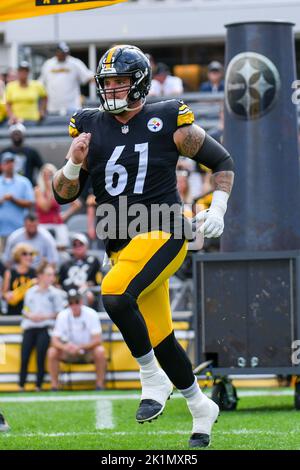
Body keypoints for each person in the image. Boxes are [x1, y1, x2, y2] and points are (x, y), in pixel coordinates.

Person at [52, 44, 234, 448]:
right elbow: (64, 195)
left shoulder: (168, 118)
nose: (112, 89)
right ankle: (201, 406)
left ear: (139, 83)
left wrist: (217, 208)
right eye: (107, 82)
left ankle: (151, 379)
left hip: (166, 229)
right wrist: (72, 161)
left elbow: (221, 161)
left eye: (120, 81)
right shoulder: (88, 125)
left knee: (115, 295)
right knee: (161, 336)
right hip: (122, 242)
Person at [47, 289, 106, 391]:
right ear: (68, 304)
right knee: (52, 352)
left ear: (81, 302)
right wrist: (65, 347)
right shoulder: (62, 315)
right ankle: (54, 386)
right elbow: (54, 341)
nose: (74, 306)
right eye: (71, 303)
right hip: (68, 351)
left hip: (87, 351)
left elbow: (97, 340)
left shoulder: (91, 314)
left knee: (100, 351)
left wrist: (80, 347)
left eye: (76, 302)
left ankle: (99, 385)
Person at [20, 262, 65, 391]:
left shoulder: (56, 293)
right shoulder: (30, 292)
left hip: (45, 328)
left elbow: (60, 313)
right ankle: (21, 385)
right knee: (24, 357)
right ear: (40, 276)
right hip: (29, 327)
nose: (52, 278)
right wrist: (30, 315)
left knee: (41, 356)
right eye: (49, 275)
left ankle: (38, 385)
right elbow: (25, 309)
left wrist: (44, 316)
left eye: (53, 275)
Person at [39, 42, 94, 116]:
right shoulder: (48, 64)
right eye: (61, 52)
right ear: (56, 52)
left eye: (65, 52)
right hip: (52, 108)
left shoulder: (75, 63)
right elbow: (40, 84)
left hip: (72, 107)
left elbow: (88, 77)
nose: (63, 55)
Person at [35, 163, 80, 247]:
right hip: (43, 225)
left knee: (61, 248)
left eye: (50, 174)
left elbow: (77, 204)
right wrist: (49, 190)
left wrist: (64, 216)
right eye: (45, 174)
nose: (48, 176)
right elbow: (45, 208)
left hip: (57, 224)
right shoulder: (38, 190)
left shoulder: (59, 189)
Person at [0, 151, 35, 248]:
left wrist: (13, 200)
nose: (10, 165)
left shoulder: (24, 182)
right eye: (7, 162)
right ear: (1, 166)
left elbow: (31, 203)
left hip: (19, 230)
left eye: (12, 162)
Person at [58, 233, 103, 307]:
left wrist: (87, 285)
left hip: (85, 291)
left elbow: (98, 281)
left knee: (89, 295)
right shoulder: (65, 264)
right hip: (66, 293)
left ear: (86, 246)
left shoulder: (94, 261)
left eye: (81, 244)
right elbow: (59, 283)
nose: (78, 247)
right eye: (75, 245)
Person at [5, 61, 47, 125]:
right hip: (16, 121)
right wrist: (11, 116)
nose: (23, 73)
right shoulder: (11, 86)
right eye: (21, 71)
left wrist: (42, 110)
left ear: (28, 72)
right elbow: (8, 104)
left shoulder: (36, 85)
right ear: (18, 72)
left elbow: (45, 97)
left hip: (33, 119)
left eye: (26, 71)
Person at [2, 243, 37, 316]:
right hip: (13, 312)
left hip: (31, 313)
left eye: (31, 254)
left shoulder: (36, 273)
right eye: (24, 254)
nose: (28, 256)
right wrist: (7, 295)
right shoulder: (9, 273)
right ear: (18, 256)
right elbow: (3, 293)